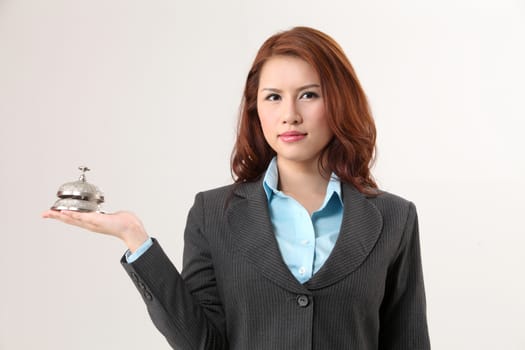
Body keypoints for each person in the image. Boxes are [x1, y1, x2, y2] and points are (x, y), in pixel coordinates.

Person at [43, 26, 430, 350]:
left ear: (340, 102)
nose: (290, 114)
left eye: (309, 95)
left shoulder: (393, 218)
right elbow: (202, 343)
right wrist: (135, 239)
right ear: (255, 108)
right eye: (273, 97)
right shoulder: (213, 214)